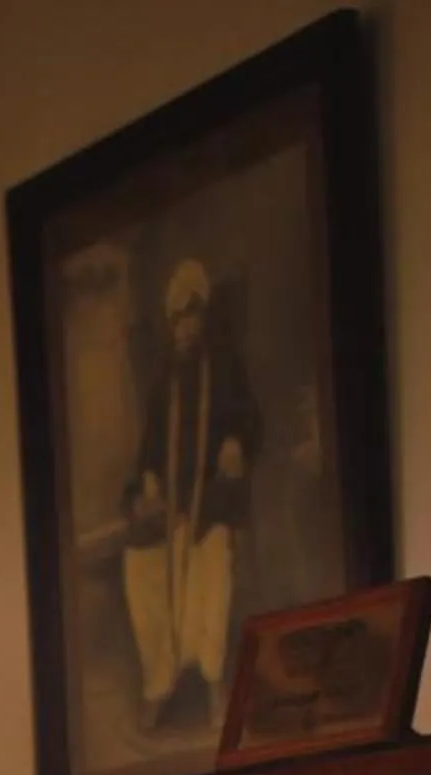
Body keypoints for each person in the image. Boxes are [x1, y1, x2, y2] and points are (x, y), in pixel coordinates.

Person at [121, 258, 261, 730]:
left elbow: (251, 423)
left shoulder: (225, 370)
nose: (184, 328)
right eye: (177, 319)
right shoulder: (164, 387)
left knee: (213, 566)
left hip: (214, 507)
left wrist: (237, 441)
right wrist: (147, 484)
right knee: (139, 568)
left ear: (202, 320)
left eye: (191, 317)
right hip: (173, 516)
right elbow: (146, 458)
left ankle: (214, 683)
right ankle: (159, 685)